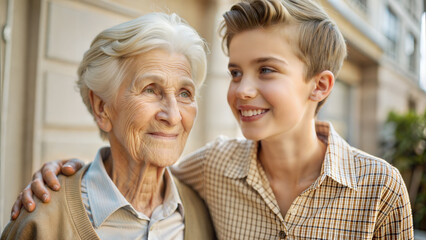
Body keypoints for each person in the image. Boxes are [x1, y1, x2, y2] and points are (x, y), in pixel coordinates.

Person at [8, 0, 414, 239]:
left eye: (266, 70)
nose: (242, 90)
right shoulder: (212, 170)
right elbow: (129, 170)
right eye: (235, 72)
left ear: (321, 86)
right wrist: (64, 176)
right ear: (102, 107)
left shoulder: (380, 190)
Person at [1, 12, 215, 240]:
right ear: (102, 108)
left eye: (185, 93)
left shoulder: (203, 210)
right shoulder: (43, 221)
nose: (173, 116)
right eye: (150, 89)